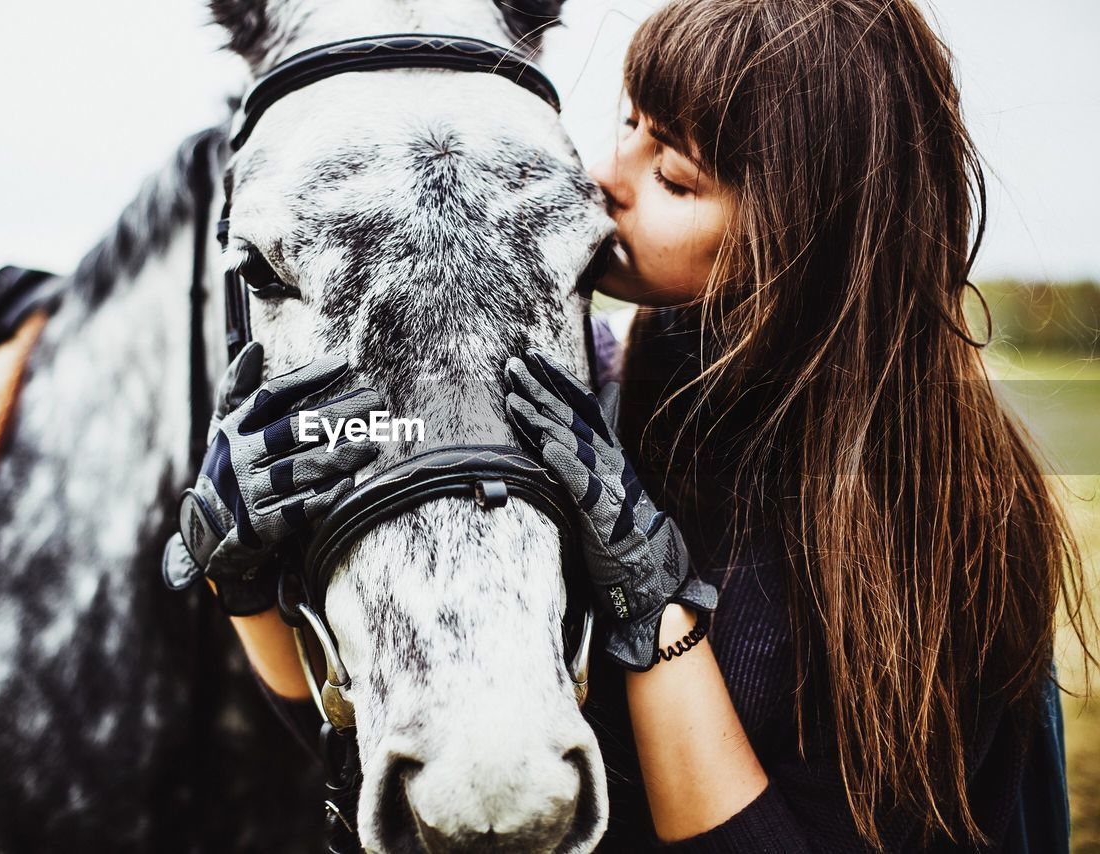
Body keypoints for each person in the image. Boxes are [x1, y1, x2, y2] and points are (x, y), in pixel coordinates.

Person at [163, 0, 1096, 849]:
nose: (605, 178)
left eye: (675, 176)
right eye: (630, 125)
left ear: (805, 239)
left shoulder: (940, 523)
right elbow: (393, 757)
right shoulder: (592, 397)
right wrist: (243, 575)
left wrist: (656, 618)